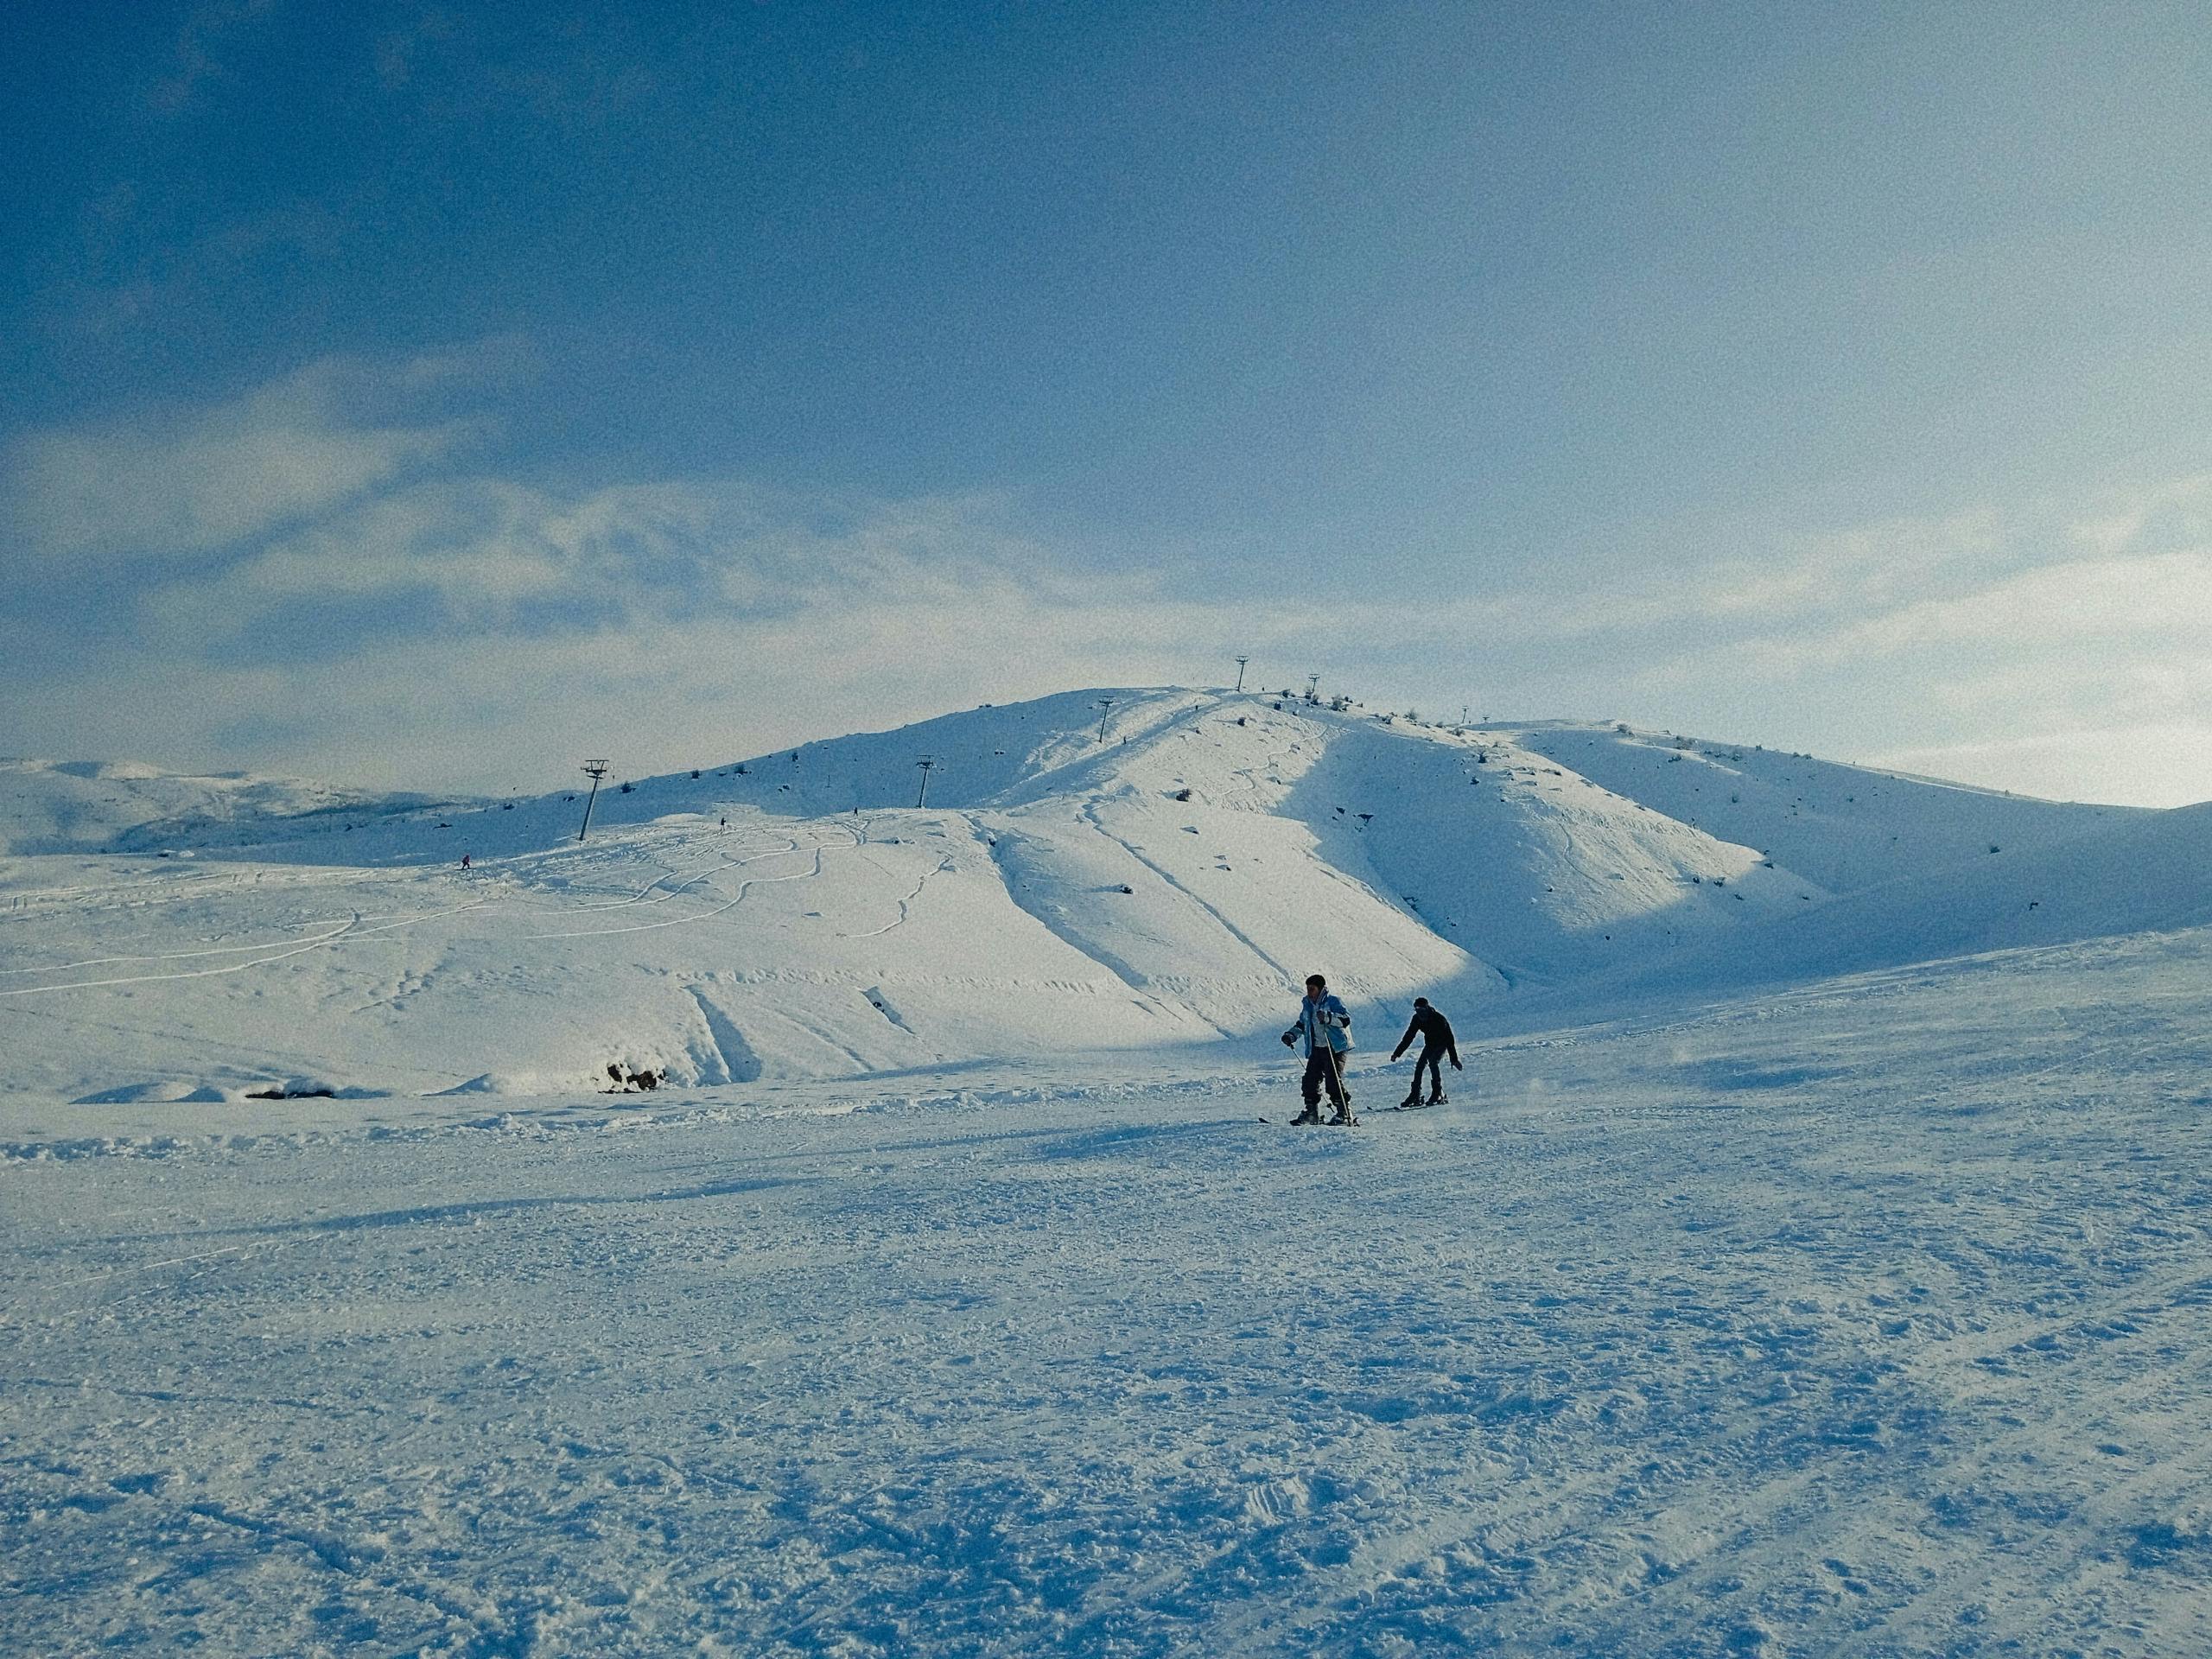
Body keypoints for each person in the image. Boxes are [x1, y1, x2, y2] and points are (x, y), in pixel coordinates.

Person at [1280, 973, 1355, 1125]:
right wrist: (1291, 1036)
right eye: (1308, 989)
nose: (1309, 992)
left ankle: (1345, 1112)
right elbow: (1302, 1024)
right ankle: (1311, 1113)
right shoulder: (1307, 1004)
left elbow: (1345, 1020)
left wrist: (1328, 1017)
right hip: (1317, 1048)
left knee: (1333, 1080)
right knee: (1310, 1080)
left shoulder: (1333, 1001)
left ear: (1320, 989)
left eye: (1312, 989)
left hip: (1335, 1046)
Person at [1389, 995, 1461, 1107]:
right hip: (1430, 1044)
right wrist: (1397, 1053)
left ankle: (1437, 1092)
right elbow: (1408, 1036)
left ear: (1427, 1008)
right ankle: (1415, 1094)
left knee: (1433, 1062)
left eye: (1421, 1009)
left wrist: (1454, 1059)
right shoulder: (1416, 1019)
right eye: (1416, 1009)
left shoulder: (1439, 1019)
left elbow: (1449, 1039)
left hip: (1442, 1044)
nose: (1419, 1012)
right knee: (1419, 1066)